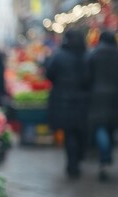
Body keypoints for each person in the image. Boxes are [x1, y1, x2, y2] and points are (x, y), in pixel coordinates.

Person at [45, 29, 89, 178]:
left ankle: (72, 164)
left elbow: (49, 74)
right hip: (83, 100)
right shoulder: (87, 55)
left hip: (63, 100)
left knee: (69, 133)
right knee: (80, 131)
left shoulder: (59, 56)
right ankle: (78, 159)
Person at [86, 30, 118, 181]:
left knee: (101, 127)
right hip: (115, 97)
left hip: (97, 96)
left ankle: (104, 158)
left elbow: (87, 76)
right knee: (111, 126)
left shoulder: (94, 54)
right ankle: (108, 155)